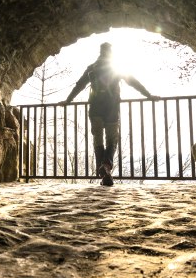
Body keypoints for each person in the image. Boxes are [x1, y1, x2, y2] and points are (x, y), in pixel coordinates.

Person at [61, 42, 160, 186]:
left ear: (100, 53)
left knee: (98, 140)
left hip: (95, 109)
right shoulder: (116, 68)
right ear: (111, 53)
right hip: (112, 109)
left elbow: (79, 85)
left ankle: (103, 172)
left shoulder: (92, 68)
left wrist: (68, 100)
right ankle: (106, 166)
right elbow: (133, 82)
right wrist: (148, 95)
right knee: (112, 140)